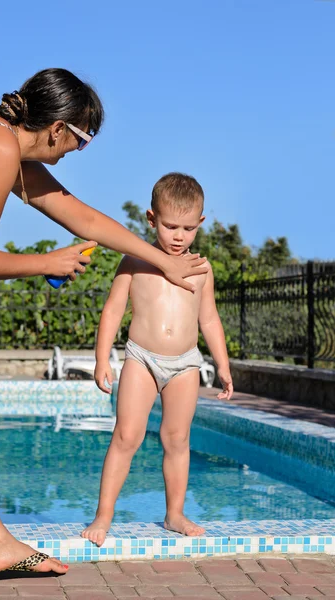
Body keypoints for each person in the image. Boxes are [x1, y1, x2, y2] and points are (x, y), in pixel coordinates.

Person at [0, 69, 209, 574]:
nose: (75, 153)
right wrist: (47, 262)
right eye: (81, 140)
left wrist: (167, 262)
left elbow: (83, 217)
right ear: (58, 128)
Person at [81, 172, 233, 548]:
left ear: (200, 223)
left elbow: (209, 319)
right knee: (126, 436)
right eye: (169, 226)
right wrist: (103, 359)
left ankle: (175, 513)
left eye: (187, 228)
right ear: (152, 219)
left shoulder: (202, 269)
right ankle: (104, 514)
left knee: (177, 439)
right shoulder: (134, 260)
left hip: (185, 364)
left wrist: (224, 366)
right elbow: (113, 311)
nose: (178, 236)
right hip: (141, 359)